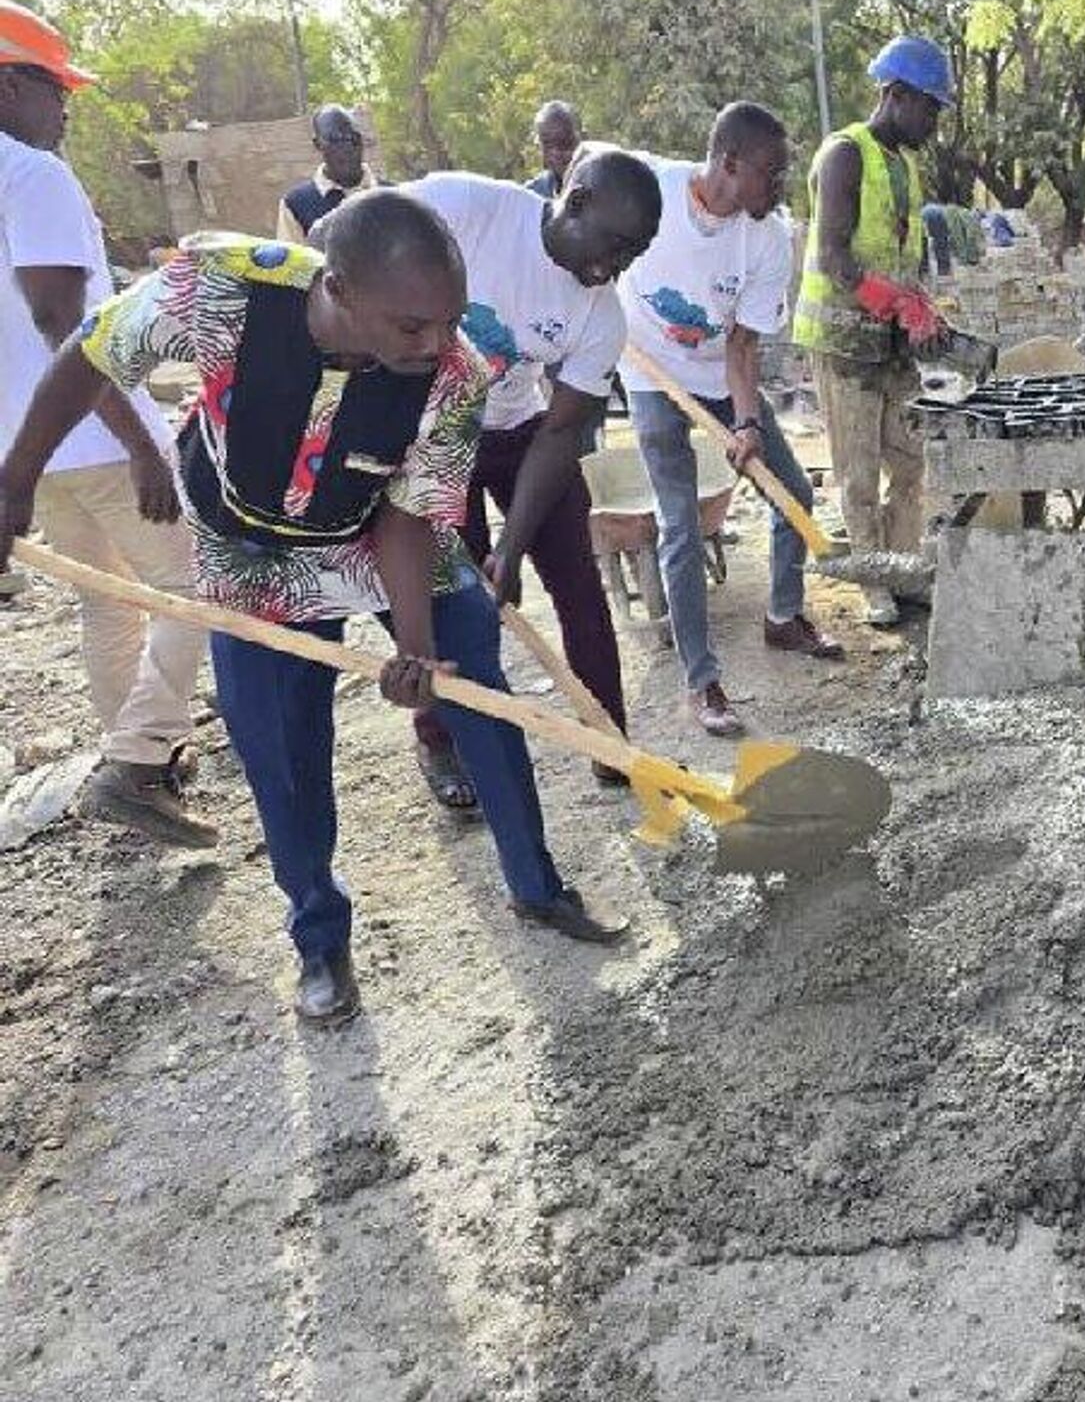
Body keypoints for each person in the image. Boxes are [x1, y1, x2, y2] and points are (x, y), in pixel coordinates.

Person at [0, 193, 628, 1027]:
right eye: (412, 326)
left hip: (379, 532)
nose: (437, 342)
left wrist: (416, 649)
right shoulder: (220, 288)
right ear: (338, 289)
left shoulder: (456, 372)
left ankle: (537, 885)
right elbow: (91, 354)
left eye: (448, 320)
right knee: (283, 753)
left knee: (479, 690)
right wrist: (15, 479)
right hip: (253, 550)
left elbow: (409, 517)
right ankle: (320, 940)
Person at [368, 151, 659, 806]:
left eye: (634, 254)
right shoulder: (468, 208)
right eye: (614, 244)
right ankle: (440, 738)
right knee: (449, 604)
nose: (616, 266)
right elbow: (358, 230)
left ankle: (607, 735)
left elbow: (560, 433)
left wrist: (513, 545)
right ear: (574, 201)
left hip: (524, 432)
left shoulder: (602, 314)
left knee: (581, 589)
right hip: (434, 440)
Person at [0, 0, 213, 846]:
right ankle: (134, 761)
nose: (67, 107)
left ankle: (142, 758)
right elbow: (64, 323)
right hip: (90, 435)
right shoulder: (31, 175)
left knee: (110, 606)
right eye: (56, 88)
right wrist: (142, 446)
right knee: (196, 590)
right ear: (12, 85)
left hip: (26, 451)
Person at [618, 102, 843, 737]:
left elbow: (743, 345)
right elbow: (580, 172)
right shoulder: (652, 191)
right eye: (770, 174)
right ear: (729, 163)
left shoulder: (769, 235)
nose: (778, 188)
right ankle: (701, 679)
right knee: (681, 526)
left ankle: (782, 616)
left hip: (720, 374)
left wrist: (746, 423)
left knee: (792, 492)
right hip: (649, 374)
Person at [793, 36, 952, 627]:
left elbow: (902, 254)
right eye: (930, 107)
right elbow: (834, 256)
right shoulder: (844, 155)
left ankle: (904, 570)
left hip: (888, 341)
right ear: (897, 95)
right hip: (843, 341)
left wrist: (923, 309)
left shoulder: (905, 165)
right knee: (857, 473)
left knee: (912, 463)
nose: (934, 121)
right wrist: (895, 303)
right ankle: (874, 580)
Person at [276, 104, 379, 243]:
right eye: (335, 139)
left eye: (353, 138)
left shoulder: (393, 196)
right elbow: (293, 262)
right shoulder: (296, 205)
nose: (346, 147)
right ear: (317, 144)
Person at [526, 101, 582, 199]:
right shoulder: (532, 194)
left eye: (564, 142)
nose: (555, 153)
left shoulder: (603, 185)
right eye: (547, 144)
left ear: (582, 139)